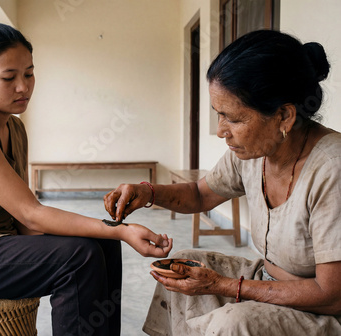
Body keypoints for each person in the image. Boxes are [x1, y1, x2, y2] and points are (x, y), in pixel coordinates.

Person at [0, 22, 172, 336]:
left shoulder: (13, 128)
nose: (23, 87)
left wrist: (108, 234)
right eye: (9, 78)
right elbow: (31, 212)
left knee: (102, 245)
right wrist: (123, 230)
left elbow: (24, 219)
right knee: (79, 258)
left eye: (29, 74)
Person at [104, 30, 341, 335]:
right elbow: (199, 194)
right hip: (269, 279)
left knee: (233, 323)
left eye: (234, 119)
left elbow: (332, 295)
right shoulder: (255, 153)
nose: (221, 131)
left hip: (325, 310)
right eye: (218, 114)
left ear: (284, 115)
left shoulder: (331, 170)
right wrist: (146, 192)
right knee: (179, 273)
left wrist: (224, 286)